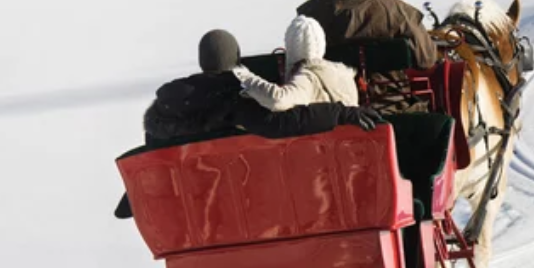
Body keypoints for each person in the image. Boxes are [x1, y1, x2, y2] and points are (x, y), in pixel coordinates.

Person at [115, 29, 380, 218]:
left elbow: (154, 150)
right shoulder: (234, 96)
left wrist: (135, 197)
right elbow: (282, 125)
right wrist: (340, 113)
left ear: (201, 61)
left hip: (190, 198)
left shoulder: (166, 104)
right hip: (232, 196)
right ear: (235, 61)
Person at [297, 0, 437, 114]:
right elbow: (426, 60)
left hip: (330, 113)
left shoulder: (310, 12)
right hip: (393, 111)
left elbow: (296, 62)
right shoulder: (402, 13)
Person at [234, 15, 359, 111]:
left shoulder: (306, 78)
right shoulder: (344, 75)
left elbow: (277, 100)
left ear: (291, 46)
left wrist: (247, 80)